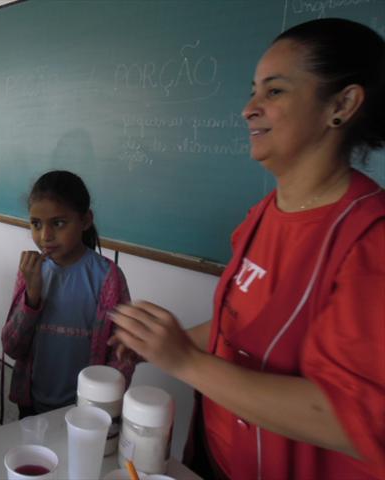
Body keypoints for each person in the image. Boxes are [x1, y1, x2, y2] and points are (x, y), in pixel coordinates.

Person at [110, 18, 385, 480]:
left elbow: (351, 417)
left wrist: (186, 360)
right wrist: (160, 343)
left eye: (274, 92)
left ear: (342, 104)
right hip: (214, 456)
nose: (248, 109)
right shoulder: (261, 216)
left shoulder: (368, 240)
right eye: (253, 91)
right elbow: (239, 324)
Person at [1, 170, 137, 418]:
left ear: (85, 221)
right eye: (36, 224)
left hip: (87, 410)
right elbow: (12, 346)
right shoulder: (31, 271)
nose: (45, 236)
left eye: (58, 223)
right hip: (32, 405)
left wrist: (102, 402)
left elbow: (123, 353)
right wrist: (32, 297)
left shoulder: (108, 277)